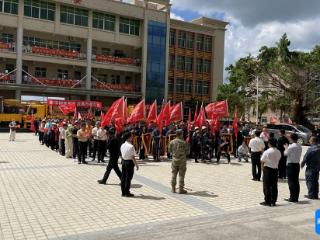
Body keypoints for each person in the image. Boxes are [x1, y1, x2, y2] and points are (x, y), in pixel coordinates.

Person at [260, 138, 281, 207]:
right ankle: (273, 201)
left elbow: (262, 160)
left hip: (268, 169)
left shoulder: (267, 152)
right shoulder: (278, 152)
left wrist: (262, 169)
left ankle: (267, 201)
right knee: (274, 186)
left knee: (267, 186)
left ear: (269, 144)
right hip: (275, 170)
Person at [168, 129, 189, 194]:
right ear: (180, 134)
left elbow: (169, 151)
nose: (183, 135)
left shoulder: (172, 142)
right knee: (181, 175)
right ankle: (180, 189)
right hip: (182, 160)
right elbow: (187, 152)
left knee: (174, 174)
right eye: (182, 134)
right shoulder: (184, 142)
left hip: (174, 160)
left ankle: (173, 189)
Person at [284, 133, 302, 202]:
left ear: (291, 138)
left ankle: (292, 197)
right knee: (296, 181)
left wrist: (286, 148)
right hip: (297, 165)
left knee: (291, 182)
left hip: (291, 165)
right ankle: (296, 197)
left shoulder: (291, 146)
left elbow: (285, 154)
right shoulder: (299, 146)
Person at [120, 132, 139, 197]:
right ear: (128, 137)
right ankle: (127, 192)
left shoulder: (122, 145)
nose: (132, 137)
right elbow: (132, 157)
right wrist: (136, 165)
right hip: (129, 163)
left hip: (124, 161)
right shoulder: (131, 146)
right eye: (131, 136)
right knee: (128, 178)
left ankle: (123, 192)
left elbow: (122, 154)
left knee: (123, 177)